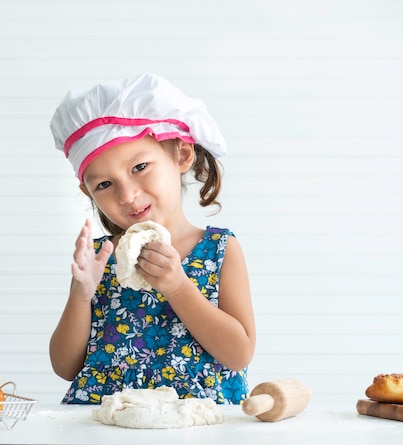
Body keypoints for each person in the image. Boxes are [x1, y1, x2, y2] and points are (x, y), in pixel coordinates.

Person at [48, 73, 255, 405]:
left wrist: (177, 286)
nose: (127, 195)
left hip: (195, 427)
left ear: (182, 155)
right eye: (104, 184)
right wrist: (81, 294)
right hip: (105, 426)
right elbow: (65, 367)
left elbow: (238, 354)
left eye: (139, 167)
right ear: (87, 192)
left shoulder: (219, 250)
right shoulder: (100, 258)